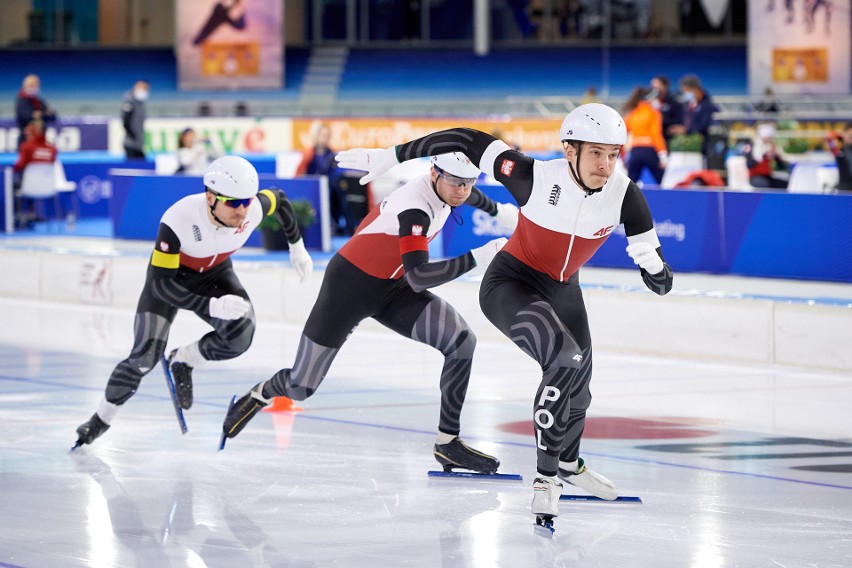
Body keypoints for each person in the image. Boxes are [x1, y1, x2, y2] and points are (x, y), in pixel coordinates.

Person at [334, 103, 674, 526]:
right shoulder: (530, 174)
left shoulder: (626, 194)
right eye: (596, 154)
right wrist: (393, 155)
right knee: (563, 360)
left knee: (581, 391)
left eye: (613, 154)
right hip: (511, 284)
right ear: (570, 150)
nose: (606, 166)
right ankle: (546, 479)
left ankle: (568, 463)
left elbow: (659, 272)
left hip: (564, 289)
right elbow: (465, 139)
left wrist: (654, 268)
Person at [221, 152, 520, 475]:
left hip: (394, 287)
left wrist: (501, 212)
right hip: (349, 288)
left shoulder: (449, 186)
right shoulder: (415, 210)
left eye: (468, 182)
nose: (461, 190)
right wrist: (479, 256)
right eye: (455, 182)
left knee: (461, 341)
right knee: (301, 386)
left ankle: (447, 442)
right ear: (434, 173)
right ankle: (260, 393)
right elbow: (420, 276)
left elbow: (465, 192)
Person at [74, 156, 314, 448]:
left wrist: (296, 247)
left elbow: (281, 199)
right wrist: (211, 307)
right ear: (210, 197)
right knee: (144, 358)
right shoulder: (178, 219)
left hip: (214, 275)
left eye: (247, 201)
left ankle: (184, 360)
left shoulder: (250, 210)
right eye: (233, 203)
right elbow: (161, 286)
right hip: (170, 280)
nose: (242, 210)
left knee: (240, 336)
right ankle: (100, 419)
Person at [296, 122, 355, 235]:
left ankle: (348, 225)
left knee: (340, 187)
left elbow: (337, 172)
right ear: (316, 136)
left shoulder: (332, 155)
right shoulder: (308, 154)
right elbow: (300, 175)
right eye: (323, 135)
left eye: (327, 136)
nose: (325, 138)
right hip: (312, 188)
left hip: (330, 189)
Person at [12, 119, 58, 228]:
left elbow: (19, 165)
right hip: (48, 187)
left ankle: (17, 217)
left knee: (12, 185)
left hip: (28, 187)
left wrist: (10, 171)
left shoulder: (27, 147)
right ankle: (31, 214)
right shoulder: (52, 149)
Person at [622, 86, 667, 185]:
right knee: (663, 181)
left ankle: (624, 201)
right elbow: (656, 134)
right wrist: (663, 155)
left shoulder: (632, 113)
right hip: (649, 151)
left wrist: (622, 155)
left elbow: (623, 133)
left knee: (629, 185)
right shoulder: (654, 113)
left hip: (635, 152)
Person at [670, 75, 718, 162]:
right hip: (688, 146)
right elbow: (685, 119)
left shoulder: (706, 104)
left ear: (694, 89)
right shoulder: (687, 103)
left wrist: (687, 129)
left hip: (702, 146)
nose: (684, 92)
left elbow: (704, 123)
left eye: (685, 90)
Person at [15, 74, 57, 150]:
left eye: (36, 85)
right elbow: (28, 117)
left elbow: (53, 116)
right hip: (26, 141)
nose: (34, 88)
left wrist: (40, 115)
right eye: (31, 85)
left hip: (40, 141)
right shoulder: (21, 101)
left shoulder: (38, 102)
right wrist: (43, 114)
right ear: (25, 86)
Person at [741, 123, 789, 189]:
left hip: (767, 176)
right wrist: (763, 154)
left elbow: (781, 166)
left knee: (785, 184)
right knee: (765, 185)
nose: (770, 140)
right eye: (769, 137)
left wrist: (777, 156)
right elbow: (749, 165)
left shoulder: (771, 146)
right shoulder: (751, 146)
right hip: (755, 177)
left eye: (771, 137)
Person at [649, 75, 683, 147]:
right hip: (651, 141)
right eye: (653, 88)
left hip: (668, 139)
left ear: (665, 87)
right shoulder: (647, 104)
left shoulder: (674, 103)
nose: (656, 91)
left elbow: (679, 120)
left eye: (658, 88)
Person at [122, 80, 150, 160]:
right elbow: (125, 121)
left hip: (138, 143)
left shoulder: (140, 104)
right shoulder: (129, 102)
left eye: (146, 89)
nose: (145, 91)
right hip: (131, 143)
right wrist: (133, 136)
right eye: (143, 88)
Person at [827, 125, 852, 192]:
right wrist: (840, 136)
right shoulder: (839, 150)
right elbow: (829, 138)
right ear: (844, 134)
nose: (851, 138)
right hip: (844, 190)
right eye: (849, 136)